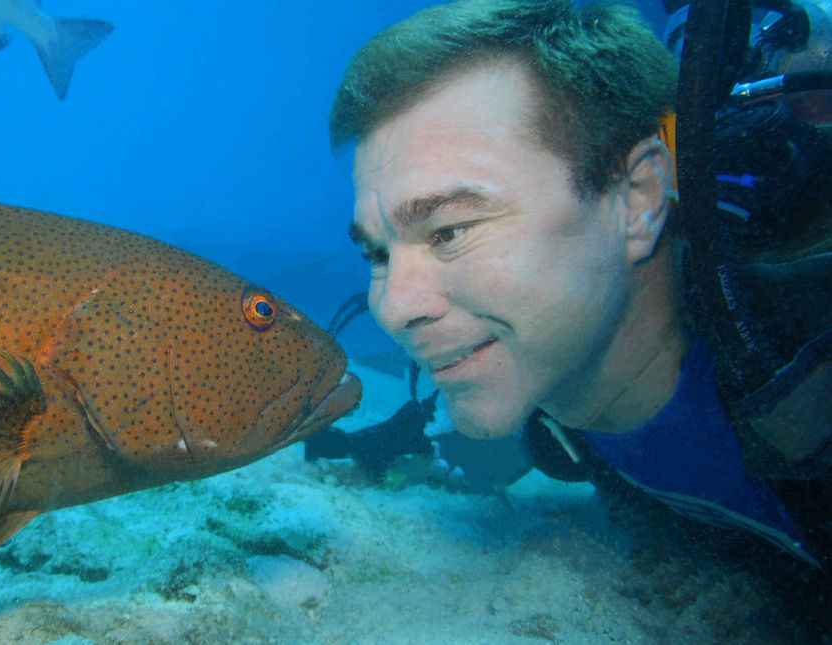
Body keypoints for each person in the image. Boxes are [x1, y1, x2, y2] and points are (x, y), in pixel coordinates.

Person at [328, 0, 832, 568]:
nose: (393, 307)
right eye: (377, 253)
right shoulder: (552, 387)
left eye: (448, 231)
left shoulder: (803, 359)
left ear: (637, 201)